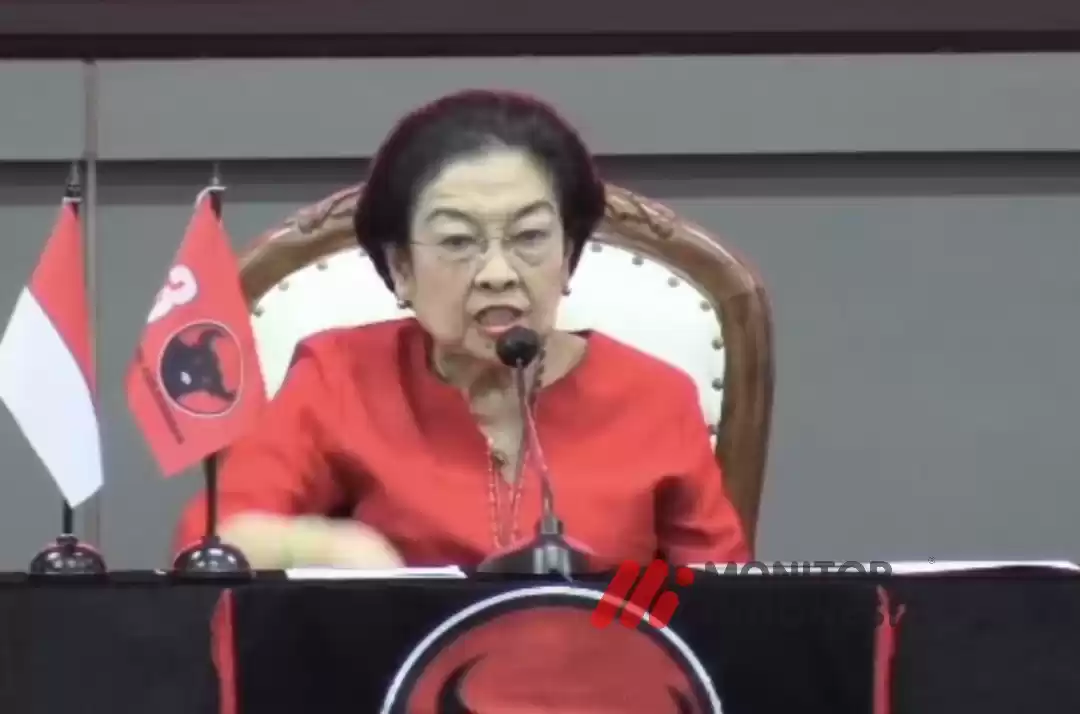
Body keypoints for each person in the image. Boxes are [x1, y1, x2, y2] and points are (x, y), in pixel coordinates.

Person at [174, 90, 751, 569]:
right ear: (401, 267)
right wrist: (333, 549)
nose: (498, 273)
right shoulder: (341, 377)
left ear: (569, 253)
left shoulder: (655, 398)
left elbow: (722, 600)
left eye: (529, 238)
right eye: (457, 241)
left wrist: (611, 610)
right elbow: (212, 545)